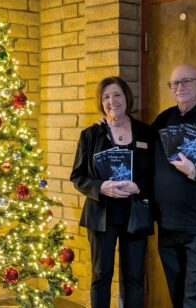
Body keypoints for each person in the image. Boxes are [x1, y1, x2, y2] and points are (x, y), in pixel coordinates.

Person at [70, 76, 154, 308]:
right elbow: (78, 176)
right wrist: (100, 187)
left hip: (136, 213)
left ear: (127, 97)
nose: (112, 101)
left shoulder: (146, 133)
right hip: (101, 215)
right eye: (106, 97)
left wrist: (139, 185)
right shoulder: (91, 135)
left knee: (135, 277)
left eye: (117, 94)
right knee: (100, 275)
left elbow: (155, 173)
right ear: (101, 103)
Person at [152, 64, 196, 307]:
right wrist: (110, 121)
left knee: (195, 298)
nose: (180, 87)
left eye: (186, 81)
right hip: (168, 224)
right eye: (174, 83)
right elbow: (136, 143)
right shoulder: (164, 118)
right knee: (176, 290)